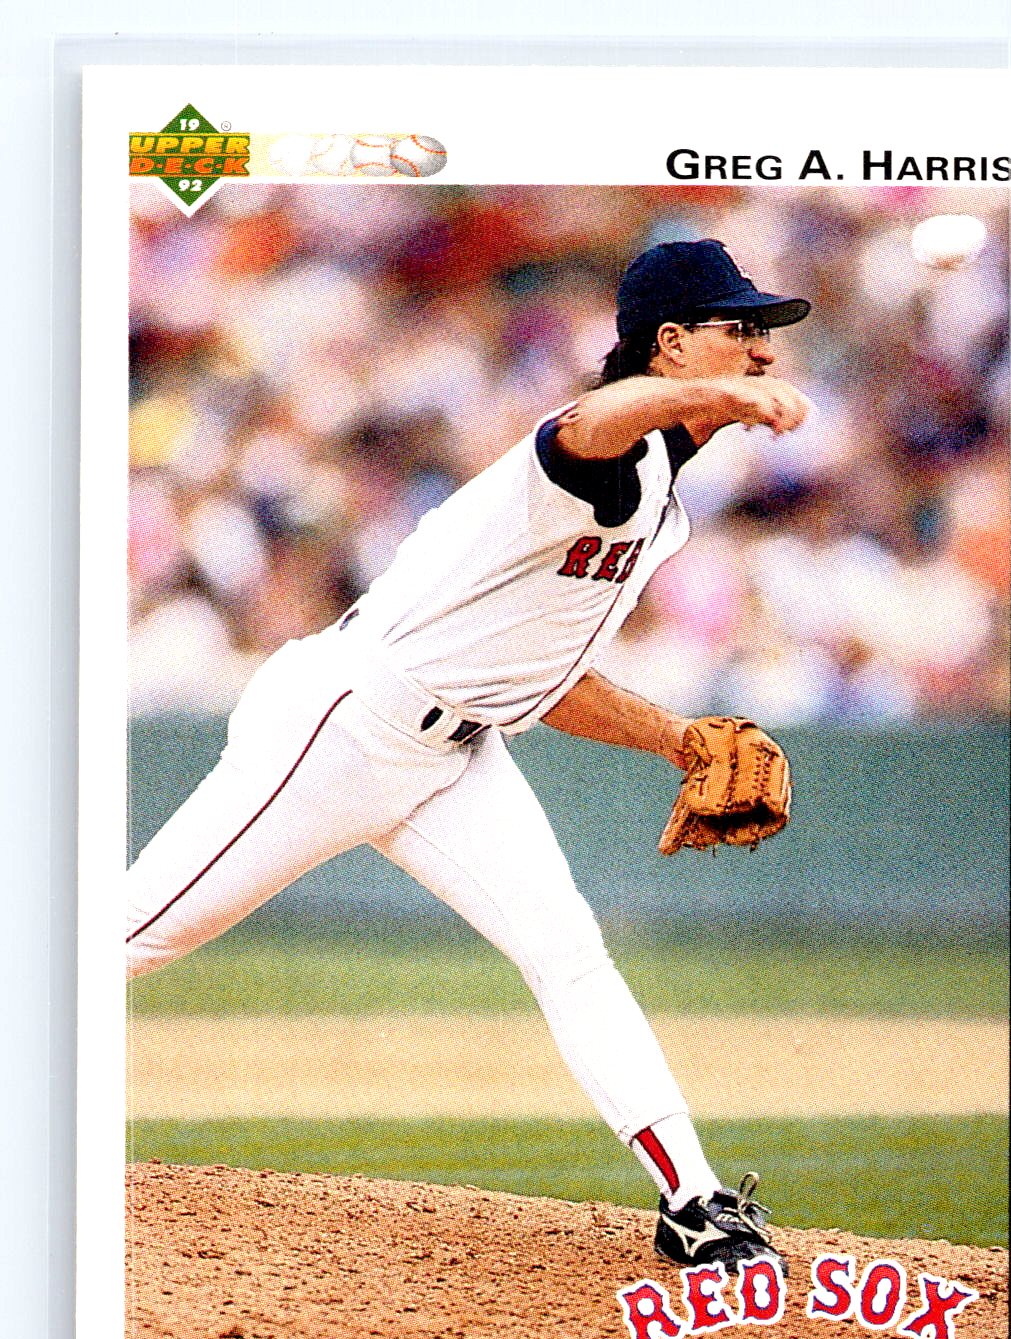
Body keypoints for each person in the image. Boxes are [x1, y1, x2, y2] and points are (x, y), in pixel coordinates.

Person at [126, 239, 811, 1270]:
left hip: (458, 751)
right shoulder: (606, 450)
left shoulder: (662, 494)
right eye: (740, 328)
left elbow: (548, 680)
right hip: (343, 725)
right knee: (134, 936)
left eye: (763, 334)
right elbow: (584, 425)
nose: (762, 351)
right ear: (670, 343)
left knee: (567, 950)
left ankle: (693, 1199)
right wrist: (712, 399)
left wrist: (677, 738)